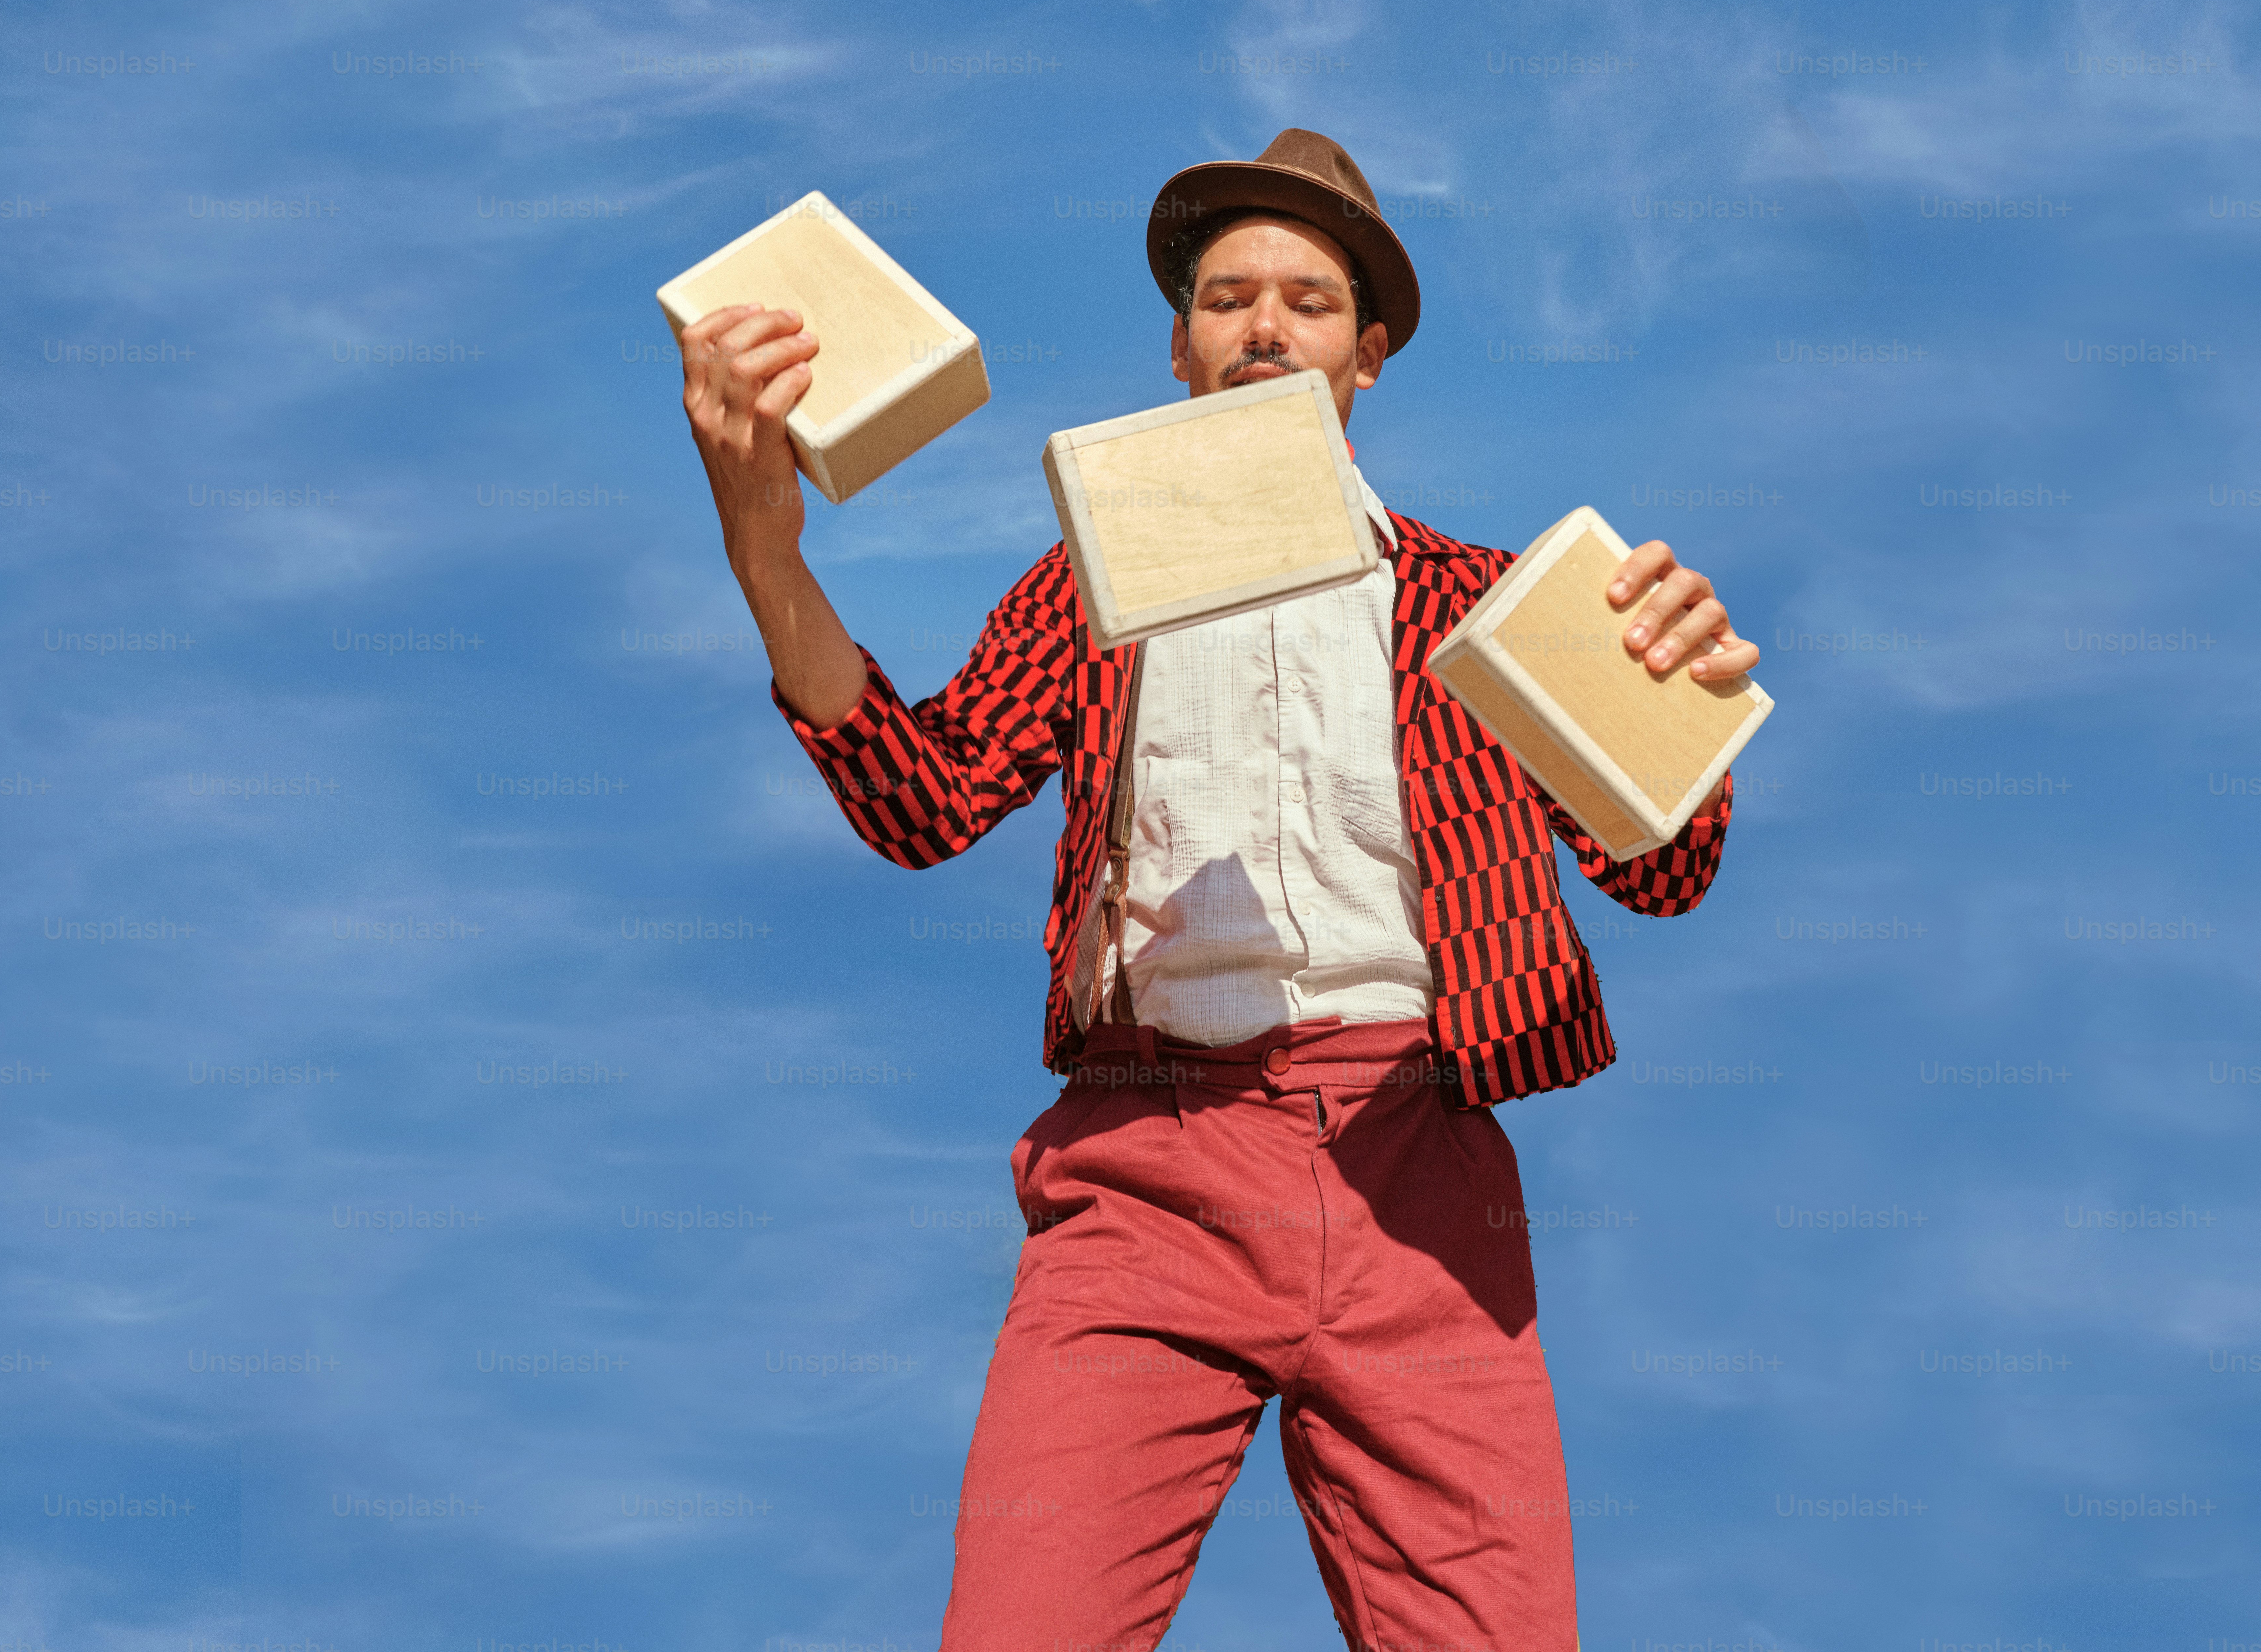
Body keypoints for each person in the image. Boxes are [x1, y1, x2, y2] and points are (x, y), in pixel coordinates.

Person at [679, 129, 1759, 1652]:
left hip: (1419, 1183)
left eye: (1308, 303)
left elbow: (1665, 872)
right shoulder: (1084, 592)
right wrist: (761, 542)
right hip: (1144, 1174)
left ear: (1365, 356)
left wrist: (1683, 719)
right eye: (1226, 297)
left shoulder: (1485, 600)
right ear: (1180, 348)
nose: (1264, 326)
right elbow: (922, 803)